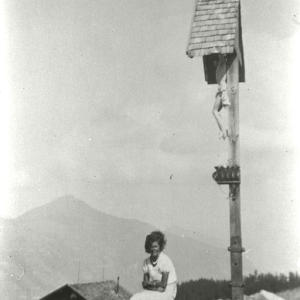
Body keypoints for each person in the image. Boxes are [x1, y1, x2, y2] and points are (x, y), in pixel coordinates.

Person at [130, 231, 177, 300]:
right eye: (151, 247)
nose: (153, 249)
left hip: (167, 291)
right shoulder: (146, 262)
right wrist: (155, 287)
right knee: (135, 298)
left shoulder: (165, 260)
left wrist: (150, 283)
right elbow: (145, 285)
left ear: (160, 247)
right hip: (154, 290)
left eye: (155, 246)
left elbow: (164, 285)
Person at [212, 53, 230, 140]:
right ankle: (222, 130)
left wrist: (220, 54)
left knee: (217, 111)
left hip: (223, 92)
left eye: (214, 61)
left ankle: (224, 130)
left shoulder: (222, 64)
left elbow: (222, 57)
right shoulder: (218, 69)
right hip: (220, 92)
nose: (213, 63)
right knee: (214, 111)